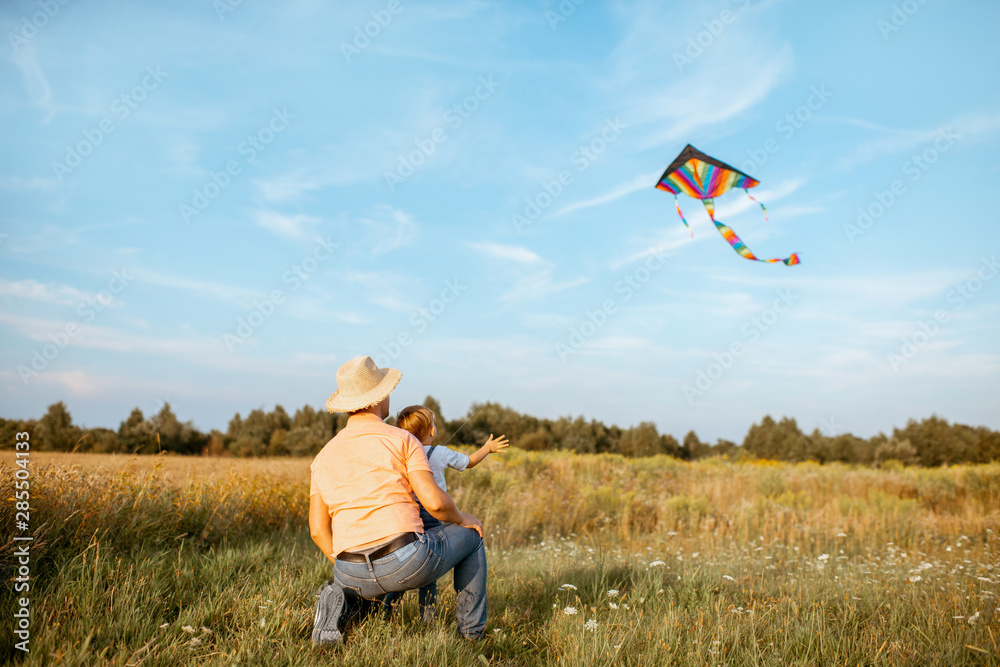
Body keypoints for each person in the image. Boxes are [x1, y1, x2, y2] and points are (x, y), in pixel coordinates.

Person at [308, 356, 488, 644]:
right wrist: (463, 518)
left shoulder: (323, 457)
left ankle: (347, 599)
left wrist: (356, 567)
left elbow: (317, 530)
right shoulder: (403, 440)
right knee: (472, 535)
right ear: (379, 397)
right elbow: (435, 503)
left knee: (359, 583)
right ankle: (471, 636)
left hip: (348, 569)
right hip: (403, 560)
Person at [381, 405, 509, 623]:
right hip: (432, 515)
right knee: (429, 570)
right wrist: (487, 448)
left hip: (406, 516)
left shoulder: (399, 453)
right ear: (431, 431)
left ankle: (385, 611)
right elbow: (469, 462)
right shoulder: (439, 453)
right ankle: (427, 618)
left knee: (402, 571)